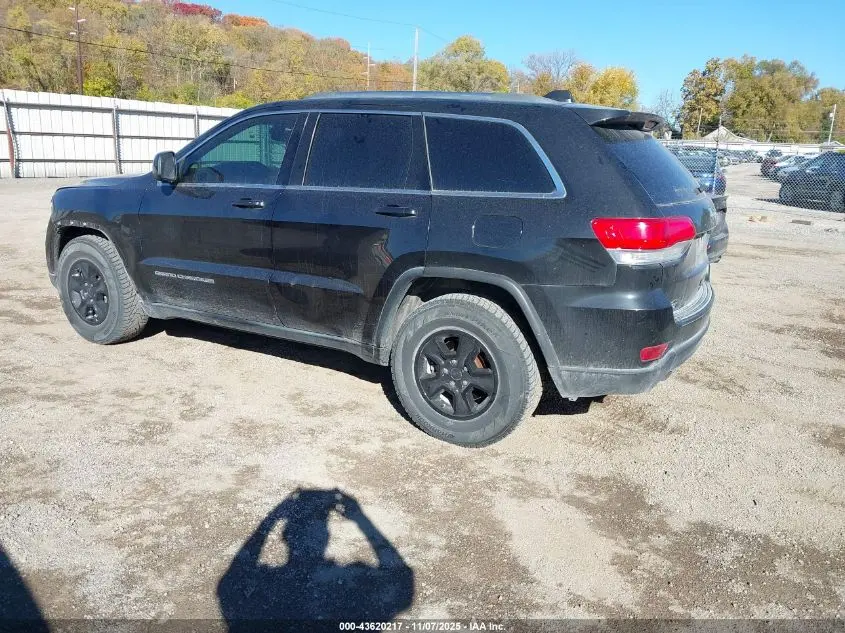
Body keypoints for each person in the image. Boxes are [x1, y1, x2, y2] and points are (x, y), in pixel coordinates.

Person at [217, 488, 414, 630]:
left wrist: (271, 518)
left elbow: (234, 577)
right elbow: (401, 577)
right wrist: (361, 519)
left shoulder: (267, 585)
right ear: (327, 536)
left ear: (285, 536)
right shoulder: (348, 583)